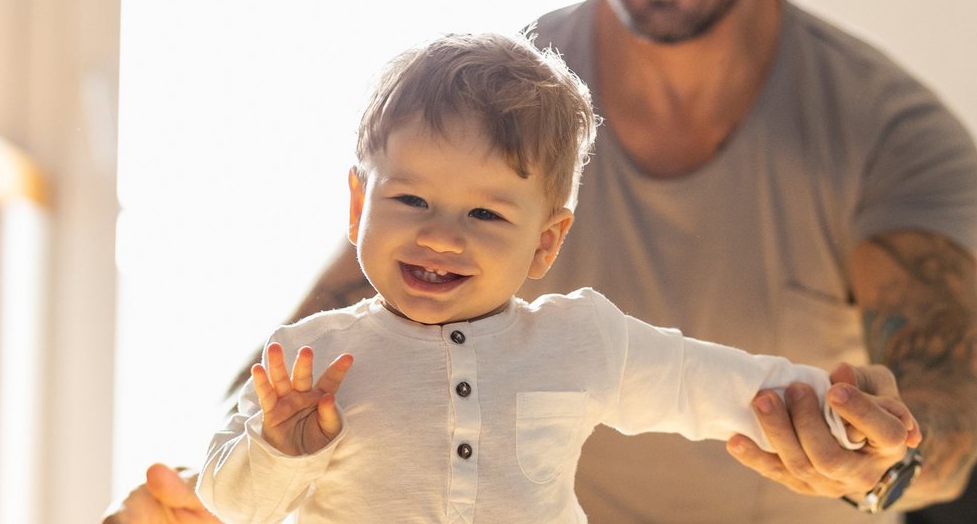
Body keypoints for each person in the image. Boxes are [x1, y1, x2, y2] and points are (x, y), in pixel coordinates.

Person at [111, 0, 977, 520]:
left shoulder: (890, 134)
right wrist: (219, 482)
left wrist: (887, 453)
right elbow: (302, 373)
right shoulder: (492, 111)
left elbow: (943, 411)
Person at [197, 33, 918, 523]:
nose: (441, 234)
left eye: (485, 213)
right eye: (410, 199)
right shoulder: (310, 360)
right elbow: (229, 502)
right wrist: (281, 448)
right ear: (359, 204)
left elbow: (701, 382)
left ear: (545, 243)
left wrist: (831, 409)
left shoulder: (579, 339)